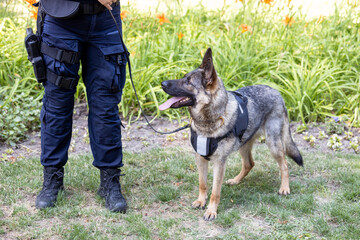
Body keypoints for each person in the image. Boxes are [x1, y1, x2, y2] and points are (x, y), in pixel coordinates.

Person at [33, 0, 127, 213]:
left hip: (105, 18)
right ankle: (52, 179)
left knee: (106, 105)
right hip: (61, 19)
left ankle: (110, 181)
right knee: (57, 105)